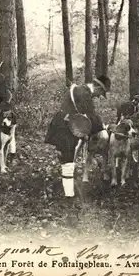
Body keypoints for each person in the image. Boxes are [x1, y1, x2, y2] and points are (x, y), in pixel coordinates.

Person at [45, 75, 111, 226]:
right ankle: (69, 200)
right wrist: (102, 130)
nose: (99, 97)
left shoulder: (82, 91)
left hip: (67, 127)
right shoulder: (83, 93)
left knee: (68, 161)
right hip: (64, 129)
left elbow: (87, 116)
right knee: (68, 163)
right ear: (99, 88)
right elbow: (91, 117)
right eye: (101, 94)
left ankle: (65, 189)